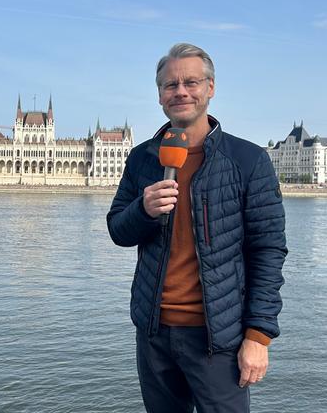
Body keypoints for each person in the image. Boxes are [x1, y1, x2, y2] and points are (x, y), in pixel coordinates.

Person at [106, 43, 287, 412]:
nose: (181, 91)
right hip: (154, 335)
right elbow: (118, 231)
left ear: (211, 88)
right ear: (159, 95)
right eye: (171, 85)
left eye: (191, 82)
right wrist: (143, 209)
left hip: (218, 339)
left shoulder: (248, 160)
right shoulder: (143, 157)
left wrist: (259, 335)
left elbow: (268, 251)